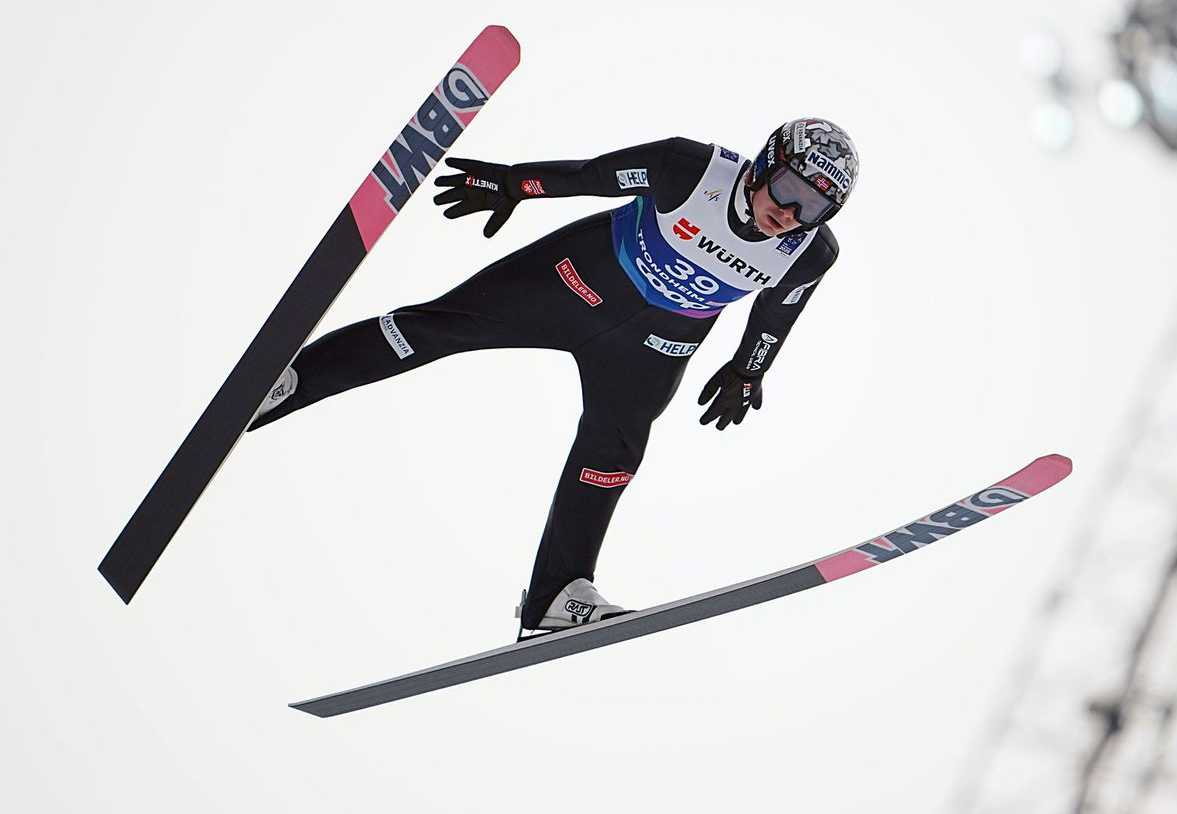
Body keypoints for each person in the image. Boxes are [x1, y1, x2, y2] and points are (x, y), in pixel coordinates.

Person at [247, 118, 859, 638]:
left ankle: (557, 597)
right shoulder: (688, 170)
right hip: (570, 282)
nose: (790, 212)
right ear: (762, 165)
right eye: (788, 189)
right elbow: (590, 176)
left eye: (814, 208)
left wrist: (748, 372)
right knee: (436, 329)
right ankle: (291, 382)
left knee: (615, 453)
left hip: (653, 346)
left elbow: (777, 313)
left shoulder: (809, 252)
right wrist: (515, 183)